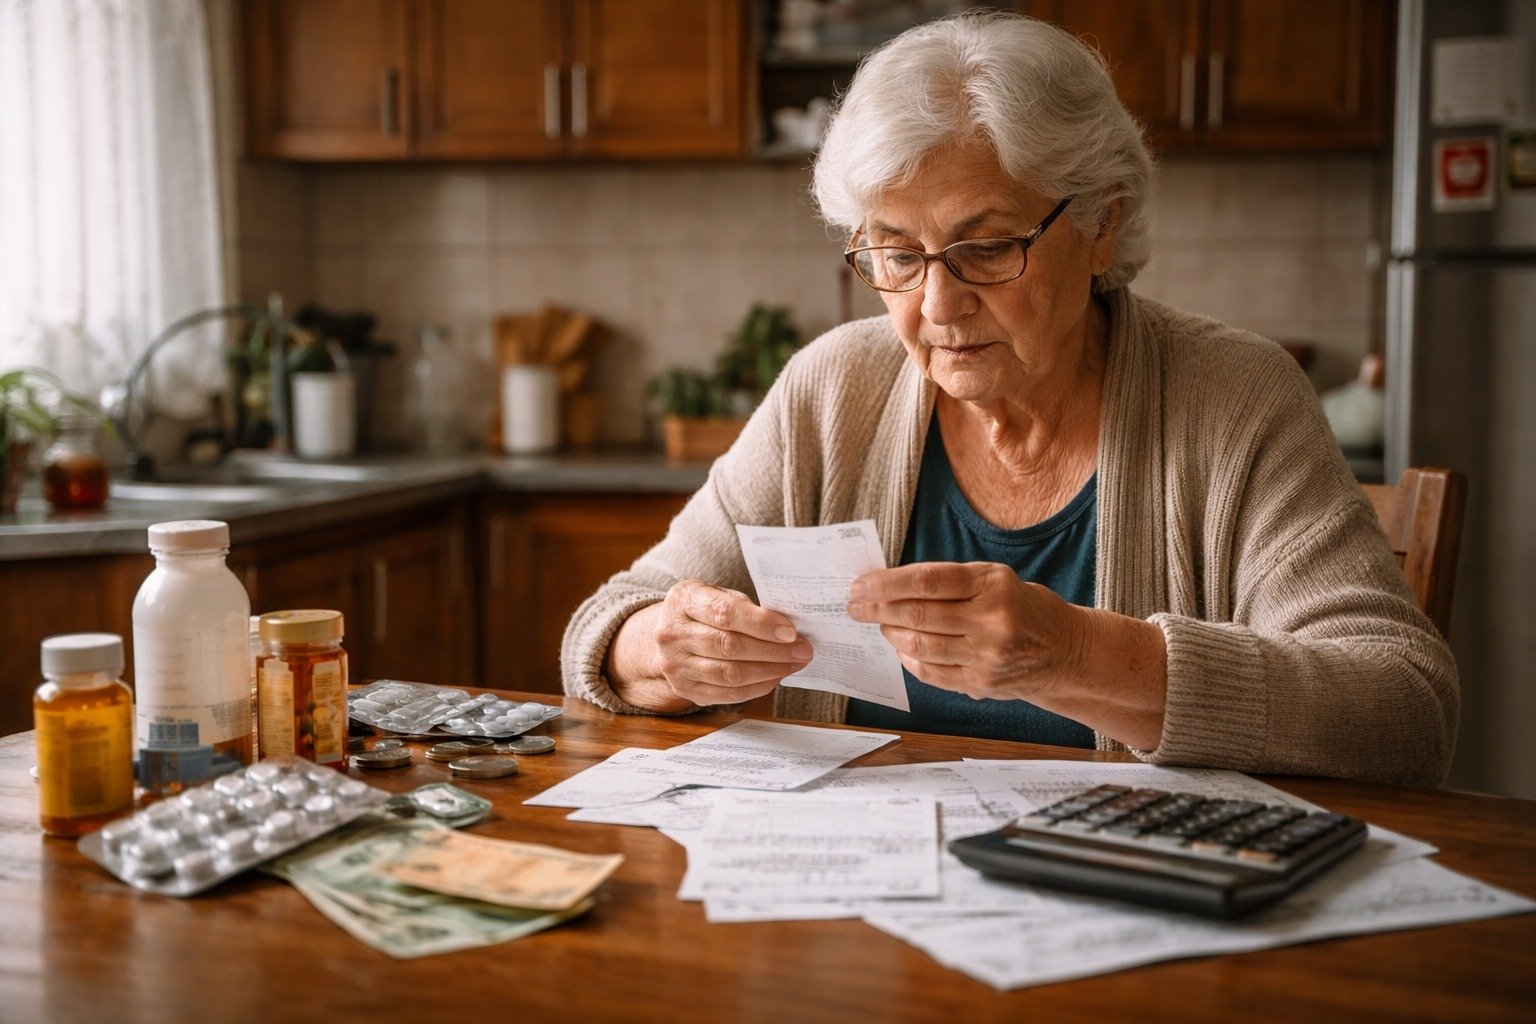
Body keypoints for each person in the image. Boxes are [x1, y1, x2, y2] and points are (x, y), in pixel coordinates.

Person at [562, 11, 1457, 787]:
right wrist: (663, 650)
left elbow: (1404, 708)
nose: (938, 307)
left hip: (1138, 918)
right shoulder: (834, 390)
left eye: (987, 247)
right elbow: (602, 633)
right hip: (856, 927)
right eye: (896, 254)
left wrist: (1079, 656)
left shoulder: (1231, 401)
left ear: (1102, 222)